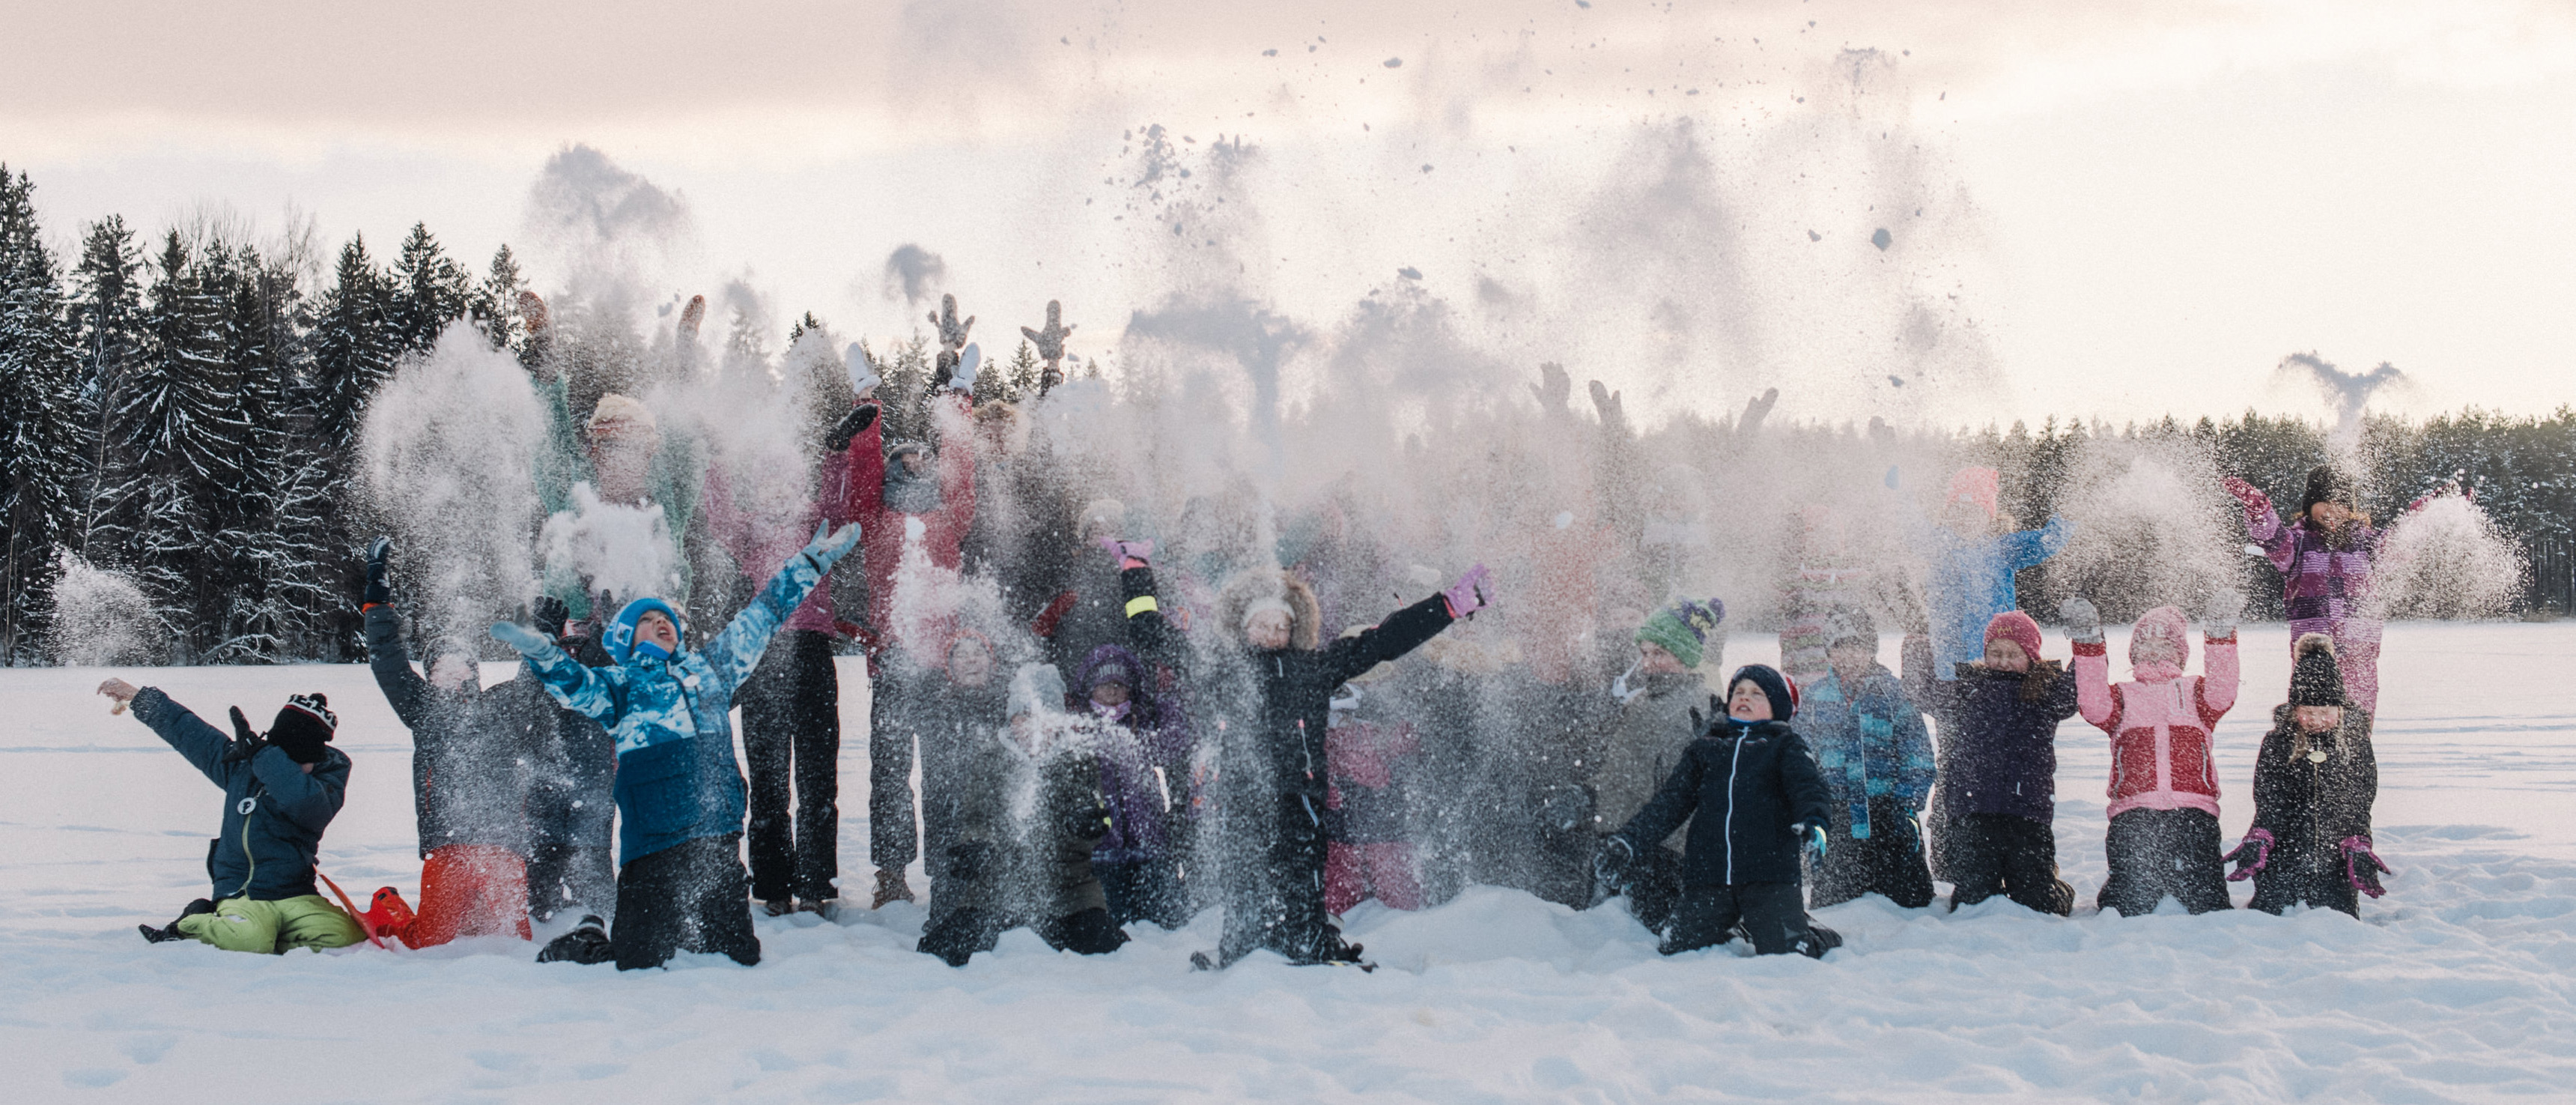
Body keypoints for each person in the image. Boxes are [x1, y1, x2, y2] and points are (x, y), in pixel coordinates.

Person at [490, 521, 861, 969]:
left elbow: (760, 617)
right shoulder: (621, 684)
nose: (660, 622)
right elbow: (575, 685)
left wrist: (807, 564)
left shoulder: (712, 670)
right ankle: (587, 937)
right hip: (651, 846)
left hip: (715, 838)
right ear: (627, 640)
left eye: (663, 617)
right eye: (646, 620)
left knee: (737, 956)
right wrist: (545, 654)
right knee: (638, 961)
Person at [1199, 560, 1492, 968]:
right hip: (1243, 795)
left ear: (1294, 629)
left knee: (1303, 878)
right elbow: (1154, 637)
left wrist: (1447, 606)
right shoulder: (1226, 670)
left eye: (1280, 626)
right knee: (1246, 877)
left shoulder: (1313, 668)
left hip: (1299, 796)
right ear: (1243, 627)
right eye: (1261, 626)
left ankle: (1307, 942)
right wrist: (1134, 570)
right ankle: (1243, 948)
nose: (1271, 635)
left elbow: (1382, 641)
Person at [701, 386, 879, 917]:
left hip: (812, 655)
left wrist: (836, 450)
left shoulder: (812, 525)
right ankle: (774, 885)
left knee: (819, 774)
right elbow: (719, 515)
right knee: (770, 778)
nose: (778, 489)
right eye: (768, 481)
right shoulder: (749, 531)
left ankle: (817, 883)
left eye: (787, 480)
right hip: (763, 661)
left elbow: (838, 501)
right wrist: (717, 457)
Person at [356, 538, 537, 948]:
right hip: (449, 845)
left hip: (502, 846)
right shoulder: (423, 709)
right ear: (429, 677)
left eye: (459, 665)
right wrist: (377, 599)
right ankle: (389, 905)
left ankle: (472, 911)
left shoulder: (501, 705)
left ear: (474, 673)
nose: (449, 672)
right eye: (438, 666)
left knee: (514, 940)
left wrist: (532, 626)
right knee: (430, 941)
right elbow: (387, 658)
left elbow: (536, 679)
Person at [1596, 665, 1840, 958]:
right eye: (1738, 692)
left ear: (1777, 706)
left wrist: (1815, 825)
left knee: (1788, 955)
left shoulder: (1786, 747)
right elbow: (1669, 804)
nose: (1744, 697)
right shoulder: (1706, 749)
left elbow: (1810, 791)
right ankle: (1740, 925)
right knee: (1677, 948)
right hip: (1709, 877)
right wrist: (1629, 841)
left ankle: (1811, 932)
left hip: (1768, 876)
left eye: (1756, 693)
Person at [110, 680, 368, 954]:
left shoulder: (327, 778)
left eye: (308, 759)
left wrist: (264, 757)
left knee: (346, 936)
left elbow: (306, 805)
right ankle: (192, 921)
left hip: (295, 893)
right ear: (279, 750)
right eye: (294, 759)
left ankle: (256, 932)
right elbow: (191, 734)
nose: (304, 767)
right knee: (251, 940)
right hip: (241, 891)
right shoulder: (242, 767)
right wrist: (140, 699)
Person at [860, 360, 981, 909]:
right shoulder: (874, 517)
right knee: (889, 774)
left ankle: (947, 869)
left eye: (922, 456)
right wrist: (867, 402)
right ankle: (891, 873)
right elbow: (861, 470)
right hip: (891, 663)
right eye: (903, 457)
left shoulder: (950, 515)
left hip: (939, 668)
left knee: (944, 774)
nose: (914, 461)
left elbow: (962, 465)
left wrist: (958, 399)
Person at [1913, 465, 2072, 883]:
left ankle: (2025, 849)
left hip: (2008, 668)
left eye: (1975, 510)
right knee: (1955, 767)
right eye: (1959, 510)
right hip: (1958, 675)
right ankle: (1953, 857)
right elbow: (1908, 528)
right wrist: (1900, 492)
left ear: (1990, 515)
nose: (1966, 518)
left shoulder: (2003, 549)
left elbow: (2047, 542)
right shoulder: (1939, 545)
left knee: (2017, 761)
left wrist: (2067, 514)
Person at [914, 664, 1130, 966]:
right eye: (1024, 716)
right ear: (1011, 718)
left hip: (1068, 891)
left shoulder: (1078, 759)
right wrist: (977, 847)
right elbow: (977, 819)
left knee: (1107, 948)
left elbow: (1094, 826)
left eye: (1044, 717)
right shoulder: (991, 758)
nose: (1034, 726)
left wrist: (1086, 827)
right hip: (997, 888)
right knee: (942, 950)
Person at [2066, 594, 2242, 916]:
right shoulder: (2122, 696)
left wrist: (2220, 635)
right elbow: (2091, 703)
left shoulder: (2197, 693)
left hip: (2193, 808)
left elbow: (2224, 688)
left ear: (2180, 654)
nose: (2155, 651)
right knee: (2130, 901)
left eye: (2165, 645)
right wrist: (2088, 643)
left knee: (2207, 902)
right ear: (2134, 653)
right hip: (2135, 809)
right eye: (2147, 645)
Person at [1903, 611, 2080, 914]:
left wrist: (2089, 646)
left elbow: (2080, 690)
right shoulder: (1968, 689)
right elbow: (1922, 691)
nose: (2003, 661)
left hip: (2027, 813)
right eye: (1995, 653)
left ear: (2032, 656)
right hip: (1975, 812)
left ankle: (2053, 882)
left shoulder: (2045, 692)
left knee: (2038, 901)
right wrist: (1918, 642)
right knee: (1972, 899)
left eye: (2013, 654)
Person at [1586, 598, 1725, 933]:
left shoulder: (1700, 709)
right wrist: (1586, 794)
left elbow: (1685, 797)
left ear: (1686, 658)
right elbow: (1618, 774)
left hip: (1667, 858)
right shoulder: (1641, 704)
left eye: (1658, 654)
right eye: (1645, 654)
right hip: (1622, 844)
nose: (1647, 664)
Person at [2229, 635, 2390, 916]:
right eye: (2308, 712)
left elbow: (2360, 798)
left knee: (2338, 917)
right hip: (2285, 852)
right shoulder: (2278, 742)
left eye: (2324, 712)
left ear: (2339, 710)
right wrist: (2262, 835)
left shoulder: (2354, 743)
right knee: (2271, 913)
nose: (2316, 720)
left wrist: (2358, 841)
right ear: (2295, 710)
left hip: (2333, 857)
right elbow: (2270, 798)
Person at [1799, 609, 1936, 909]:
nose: (1848, 655)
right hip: (1837, 813)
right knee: (1833, 900)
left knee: (1911, 898)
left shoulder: (1894, 694)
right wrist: (1811, 804)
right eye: (1839, 647)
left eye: (1856, 646)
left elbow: (1919, 755)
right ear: (1828, 653)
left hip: (1888, 810)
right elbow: (1802, 759)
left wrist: (1906, 803)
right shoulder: (1814, 698)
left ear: (1870, 649)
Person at [2225, 467, 2387, 712]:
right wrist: (2259, 509)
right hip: (2312, 656)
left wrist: (2427, 511)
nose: (2332, 510)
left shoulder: (2369, 543)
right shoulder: (2298, 544)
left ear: (2351, 509)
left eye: (2340, 503)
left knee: (2357, 728)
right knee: (2311, 725)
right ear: (2310, 506)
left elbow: (2403, 542)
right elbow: (2271, 538)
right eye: (2323, 502)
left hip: (2359, 656)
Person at [1321, 631, 1426, 915]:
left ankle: (1404, 927)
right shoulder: (1329, 707)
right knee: (1342, 883)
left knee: (1392, 880)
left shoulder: (1390, 708)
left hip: (1384, 814)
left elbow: (1397, 759)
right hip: (1343, 817)